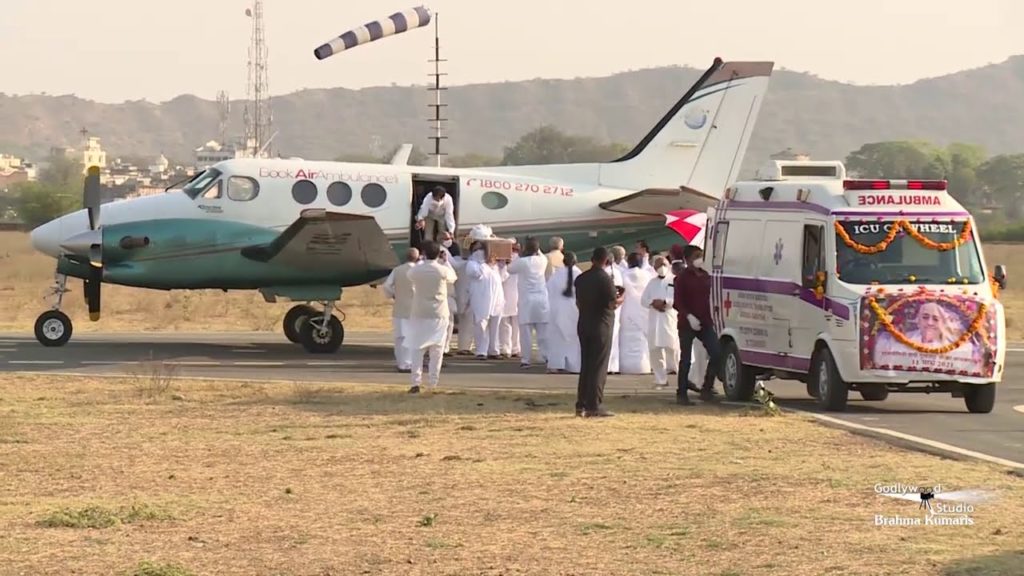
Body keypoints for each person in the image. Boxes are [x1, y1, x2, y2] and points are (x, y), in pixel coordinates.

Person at [574, 246, 622, 417]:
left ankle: (581, 403)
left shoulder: (580, 278)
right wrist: (622, 297)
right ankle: (594, 404)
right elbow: (612, 303)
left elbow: (579, 302)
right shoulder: (605, 279)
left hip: (584, 323)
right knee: (598, 367)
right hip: (601, 325)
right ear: (606, 261)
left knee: (586, 365)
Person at [405, 240, 458, 393]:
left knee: (417, 348)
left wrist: (421, 261)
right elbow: (453, 277)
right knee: (437, 349)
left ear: (424, 254)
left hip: (420, 312)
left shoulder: (417, 271)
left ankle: (415, 382)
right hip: (439, 313)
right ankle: (433, 383)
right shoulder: (442, 270)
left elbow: (410, 275)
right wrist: (445, 262)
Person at [674, 245, 721, 404]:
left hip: (705, 321)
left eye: (700, 255)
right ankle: (681, 393)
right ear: (687, 259)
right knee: (686, 358)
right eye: (695, 256)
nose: (699, 259)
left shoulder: (705, 275)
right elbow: (678, 302)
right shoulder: (682, 278)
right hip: (687, 323)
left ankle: (707, 388)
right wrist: (688, 316)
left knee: (716, 353)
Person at [508, 236, 550, 369]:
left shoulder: (522, 262)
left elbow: (509, 269)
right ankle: (545, 356)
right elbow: (539, 252)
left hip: (527, 301)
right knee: (542, 332)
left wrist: (519, 253)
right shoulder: (543, 260)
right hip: (541, 300)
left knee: (525, 334)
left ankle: (526, 359)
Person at [641, 255, 681, 388]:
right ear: (654, 268)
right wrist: (653, 303)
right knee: (655, 350)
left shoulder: (674, 280)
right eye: (658, 265)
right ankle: (660, 379)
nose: (661, 268)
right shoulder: (651, 282)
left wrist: (665, 303)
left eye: (664, 264)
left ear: (669, 265)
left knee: (673, 350)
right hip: (654, 320)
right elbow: (643, 300)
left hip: (669, 318)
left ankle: (682, 379)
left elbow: (677, 298)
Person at [381, 247, 419, 372]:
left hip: (399, 307)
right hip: (415, 308)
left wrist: (393, 294)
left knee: (399, 337)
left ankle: (401, 363)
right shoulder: (418, 271)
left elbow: (386, 286)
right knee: (412, 337)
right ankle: (410, 363)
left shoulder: (397, 270)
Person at [466, 243, 506, 359]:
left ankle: (494, 350)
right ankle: (481, 351)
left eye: (482, 249)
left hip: (496, 299)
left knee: (495, 326)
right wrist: (486, 264)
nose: (481, 252)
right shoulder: (472, 264)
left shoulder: (494, 265)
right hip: (481, 298)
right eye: (478, 249)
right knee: (481, 325)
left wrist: (502, 266)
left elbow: (502, 278)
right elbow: (476, 274)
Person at [545, 251, 582, 375]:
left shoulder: (556, 275)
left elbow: (548, 290)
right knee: (573, 338)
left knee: (556, 338)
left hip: (556, 309)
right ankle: (574, 365)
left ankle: (556, 364)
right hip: (574, 310)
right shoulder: (579, 274)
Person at [619, 252, 652, 374]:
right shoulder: (647, 275)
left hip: (628, 309)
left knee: (627, 338)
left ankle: (626, 366)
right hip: (644, 310)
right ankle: (644, 366)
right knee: (642, 339)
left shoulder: (623, 275)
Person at [498, 240, 521, 359]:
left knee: (505, 324)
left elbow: (500, 277)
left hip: (506, 294)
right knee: (515, 324)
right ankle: (515, 348)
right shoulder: (521, 260)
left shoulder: (502, 261)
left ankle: (506, 348)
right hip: (516, 295)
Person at [605, 246, 626, 375]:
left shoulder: (605, 273)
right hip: (616, 307)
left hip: (607, 307)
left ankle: (607, 365)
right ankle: (614, 365)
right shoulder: (617, 272)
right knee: (615, 336)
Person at [438, 248, 459, 355]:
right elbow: (453, 276)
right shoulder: (441, 268)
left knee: (449, 324)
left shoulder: (444, 265)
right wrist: (445, 262)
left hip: (447, 298)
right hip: (442, 298)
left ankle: (445, 346)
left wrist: (446, 261)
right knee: (443, 324)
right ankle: (441, 347)